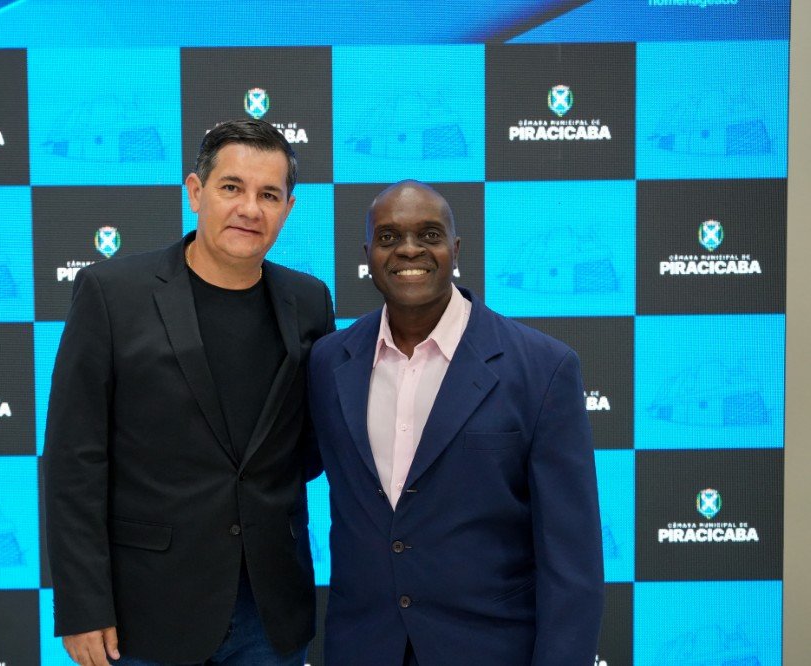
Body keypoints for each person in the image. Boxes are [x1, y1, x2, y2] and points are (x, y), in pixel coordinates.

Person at [44, 119, 335, 666]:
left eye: (268, 195)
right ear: (196, 192)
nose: (250, 208)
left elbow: (310, 445)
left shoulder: (310, 301)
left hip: (270, 612)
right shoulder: (111, 294)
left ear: (288, 208)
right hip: (146, 611)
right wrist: (83, 605)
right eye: (232, 187)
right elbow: (73, 461)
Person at [307, 180, 604, 665]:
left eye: (429, 234)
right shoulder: (328, 362)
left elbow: (572, 561)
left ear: (455, 249)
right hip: (363, 648)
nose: (409, 249)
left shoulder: (543, 368)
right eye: (388, 237)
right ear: (368, 256)